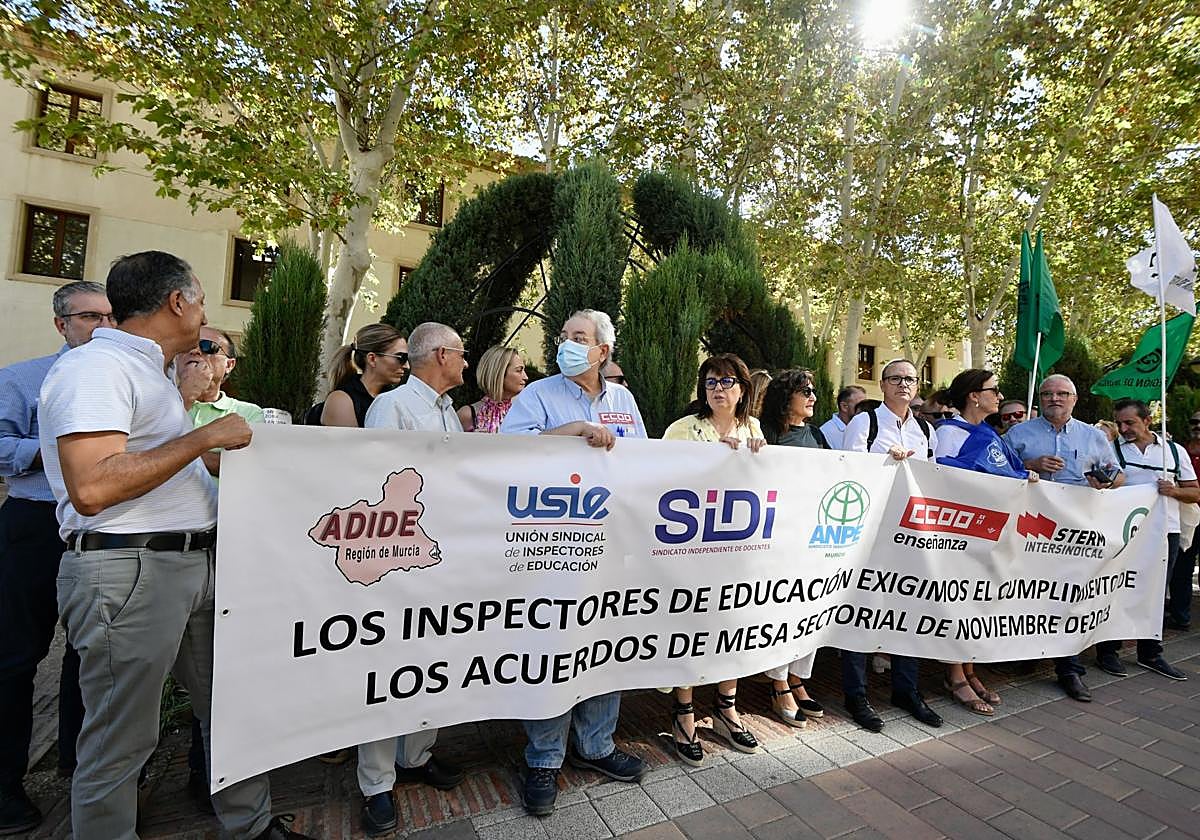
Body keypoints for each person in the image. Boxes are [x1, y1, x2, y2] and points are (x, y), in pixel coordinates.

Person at [38, 251, 311, 840]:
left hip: (190, 564)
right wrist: (205, 437)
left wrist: (217, 456)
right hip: (131, 568)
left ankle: (253, 826)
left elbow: (150, 464)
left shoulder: (151, 375)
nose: (204, 313)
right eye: (202, 300)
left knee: (232, 709)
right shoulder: (96, 370)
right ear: (177, 302)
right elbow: (91, 486)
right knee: (121, 738)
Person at [500, 309, 647, 815]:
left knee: (604, 643)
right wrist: (574, 431)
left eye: (578, 337)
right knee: (553, 646)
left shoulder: (624, 399)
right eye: (564, 336)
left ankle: (597, 748)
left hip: (608, 545)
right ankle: (543, 759)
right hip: (552, 547)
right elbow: (506, 452)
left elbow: (644, 464)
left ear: (602, 352)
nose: (567, 343)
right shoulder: (538, 396)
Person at [0, 281, 107, 833]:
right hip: (36, 523)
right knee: (18, 657)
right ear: (61, 324)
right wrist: (61, 446)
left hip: (103, 525)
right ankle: (5, 788)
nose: (101, 326)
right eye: (89, 316)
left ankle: (76, 762)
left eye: (110, 316)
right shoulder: (22, 379)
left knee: (89, 654)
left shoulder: (134, 380)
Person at [358, 322, 468, 835]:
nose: (466, 363)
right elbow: (374, 483)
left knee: (431, 662)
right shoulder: (393, 407)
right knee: (387, 670)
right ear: (441, 355)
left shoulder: (448, 412)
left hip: (444, 558)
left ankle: (417, 755)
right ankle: (376, 783)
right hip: (397, 560)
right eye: (461, 355)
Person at [174, 325, 266, 810]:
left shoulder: (245, 413)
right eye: (192, 346)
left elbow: (245, 464)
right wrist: (186, 413)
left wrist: (186, 448)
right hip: (160, 554)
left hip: (224, 549)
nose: (199, 355)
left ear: (229, 364)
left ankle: (205, 773)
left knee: (218, 675)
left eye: (211, 349)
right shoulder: (162, 403)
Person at [660, 354, 766, 765]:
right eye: (710, 382)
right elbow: (659, 479)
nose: (718, 389)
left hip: (738, 550)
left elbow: (767, 484)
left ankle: (726, 707)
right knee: (691, 625)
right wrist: (706, 462)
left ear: (742, 388)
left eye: (726, 381)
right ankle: (684, 712)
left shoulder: (753, 428)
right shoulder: (683, 430)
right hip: (692, 550)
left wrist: (760, 456)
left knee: (733, 626)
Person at [1005, 373, 1125, 702]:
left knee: (1070, 596)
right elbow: (997, 472)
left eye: (1061, 394)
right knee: (1029, 591)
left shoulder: (1093, 436)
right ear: (1039, 399)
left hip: (1076, 532)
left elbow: (1116, 473)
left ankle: (1069, 670)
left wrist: (1107, 481)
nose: (1054, 399)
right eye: (1047, 394)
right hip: (1032, 529)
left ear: (1074, 399)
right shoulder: (1018, 433)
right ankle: (1027, 649)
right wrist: (1030, 463)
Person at [840, 359, 943, 732]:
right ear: (882, 385)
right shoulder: (865, 424)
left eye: (910, 379)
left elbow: (933, 480)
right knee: (860, 611)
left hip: (911, 533)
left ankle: (907, 689)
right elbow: (847, 471)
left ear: (917, 387)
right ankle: (856, 694)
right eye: (896, 378)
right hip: (869, 533)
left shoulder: (927, 431)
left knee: (909, 608)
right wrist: (885, 463)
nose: (903, 384)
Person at [933, 369, 1039, 716]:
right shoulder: (949, 432)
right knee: (958, 602)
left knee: (977, 602)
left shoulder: (988, 434)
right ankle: (954, 674)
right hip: (961, 535)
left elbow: (1008, 471)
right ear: (974, 396)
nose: (999, 395)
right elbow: (945, 478)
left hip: (991, 534)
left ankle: (968, 668)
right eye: (994, 390)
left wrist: (1027, 476)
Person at [1094, 399, 1196, 681]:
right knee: (1114, 588)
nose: (1124, 428)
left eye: (1130, 423)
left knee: (1155, 591)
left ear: (1148, 421)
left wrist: (1174, 492)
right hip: (1122, 531)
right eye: (1120, 423)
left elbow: (1195, 492)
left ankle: (1150, 651)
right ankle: (1108, 651)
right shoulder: (1111, 449)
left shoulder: (1174, 452)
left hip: (1165, 530)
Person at [756, 369, 828, 728]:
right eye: (806, 391)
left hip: (814, 538)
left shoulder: (816, 434)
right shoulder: (765, 434)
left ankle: (798, 677)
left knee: (809, 611)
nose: (813, 397)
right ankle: (779, 682)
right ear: (786, 398)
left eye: (813, 391)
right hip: (778, 540)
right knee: (782, 612)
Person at [313, 323, 409, 427]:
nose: (406, 366)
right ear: (372, 359)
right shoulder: (342, 401)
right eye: (401, 358)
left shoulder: (393, 398)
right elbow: (350, 443)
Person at [1169, 409, 1200, 630]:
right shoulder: (1182, 450)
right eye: (1194, 421)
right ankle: (1181, 615)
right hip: (1187, 515)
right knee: (1182, 566)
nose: (1197, 425)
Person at [458, 346, 527, 433]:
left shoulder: (526, 412)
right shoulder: (468, 414)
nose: (526, 377)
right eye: (519, 370)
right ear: (499, 372)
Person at [819, 384, 865, 449]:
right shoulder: (825, 432)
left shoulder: (864, 428)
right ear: (844, 407)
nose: (865, 409)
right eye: (860, 405)